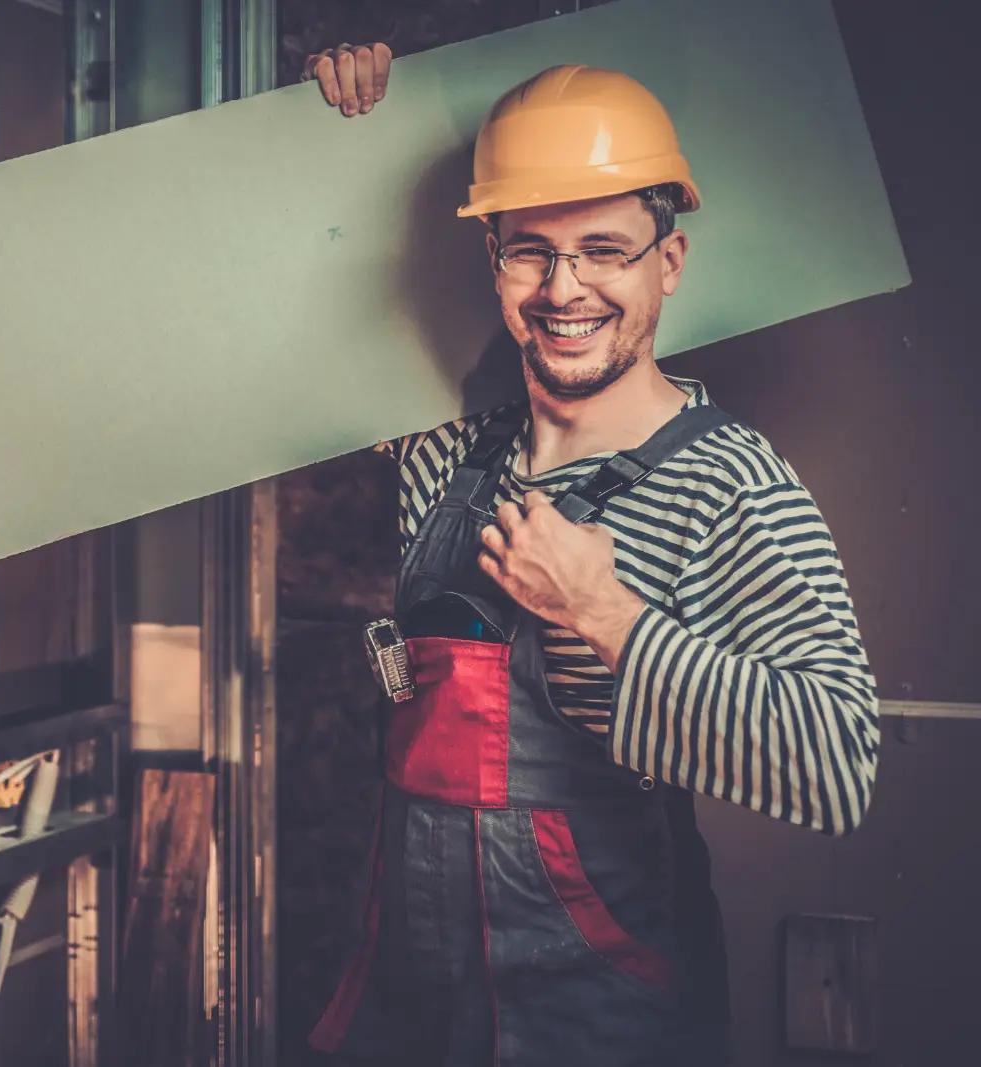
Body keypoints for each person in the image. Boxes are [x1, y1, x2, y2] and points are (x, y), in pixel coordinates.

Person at [301, 49, 880, 1066]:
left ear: (668, 262)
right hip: (414, 991)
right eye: (529, 250)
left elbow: (832, 767)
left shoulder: (729, 486)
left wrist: (605, 612)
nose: (563, 288)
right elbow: (279, 316)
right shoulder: (442, 456)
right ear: (490, 261)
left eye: (603, 249)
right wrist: (338, 123)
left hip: (602, 1013)